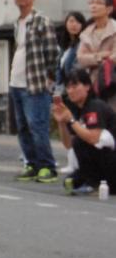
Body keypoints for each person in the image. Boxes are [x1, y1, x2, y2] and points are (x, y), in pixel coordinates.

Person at [8, 0, 60, 183]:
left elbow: (52, 52)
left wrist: (49, 78)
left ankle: (48, 166)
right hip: (16, 81)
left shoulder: (41, 20)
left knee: (37, 125)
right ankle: (31, 163)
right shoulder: (16, 22)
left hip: (35, 83)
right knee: (22, 127)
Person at [51, 67, 116, 196]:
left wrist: (70, 119)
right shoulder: (77, 110)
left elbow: (94, 138)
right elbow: (68, 144)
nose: (71, 91)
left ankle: (96, 183)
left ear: (87, 86)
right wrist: (62, 121)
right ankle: (91, 181)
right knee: (70, 182)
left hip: (111, 160)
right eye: (68, 87)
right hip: (101, 161)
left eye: (75, 86)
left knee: (80, 141)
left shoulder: (95, 106)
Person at [57, 10, 87, 175]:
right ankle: (72, 161)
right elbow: (59, 69)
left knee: (76, 125)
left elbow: (77, 69)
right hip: (65, 91)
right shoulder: (65, 46)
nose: (73, 25)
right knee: (68, 126)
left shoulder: (82, 43)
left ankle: (77, 163)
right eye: (70, 21)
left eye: (77, 21)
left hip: (77, 90)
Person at [76, 0, 116, 105]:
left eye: (98, 3)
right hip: (92, 85)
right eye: (91, 3)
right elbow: (81, 59)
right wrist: (100, 57)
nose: (93, 6)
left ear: (109, 9)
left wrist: (92, 59)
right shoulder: (86, 33)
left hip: (113, 83)